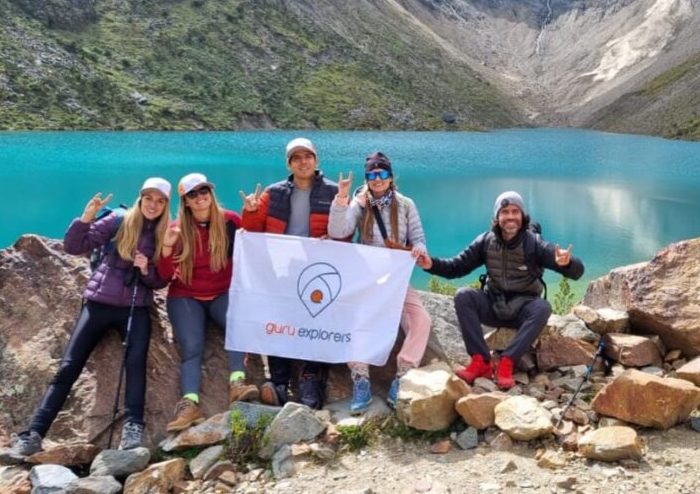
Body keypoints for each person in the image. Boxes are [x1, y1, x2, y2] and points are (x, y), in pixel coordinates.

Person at [0, 178, 172, 464]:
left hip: (135, 307)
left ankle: (133, 428)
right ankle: (33, 434)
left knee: (136, 364)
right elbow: (73, 246)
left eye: (160, 200)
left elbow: (161, 279)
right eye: (148, 198)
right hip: (99, 303)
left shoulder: (167, 233)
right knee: (68, 368)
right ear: (140, 198)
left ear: (166, 205)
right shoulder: (119, 220)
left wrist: (145, 269)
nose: (153, 204)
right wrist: (87, 216)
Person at [417, 191, 583, 390]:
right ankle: (480, 362)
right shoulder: (486, 242)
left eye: (515, 211)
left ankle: (507, 362)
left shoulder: (534, 244)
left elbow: (577, 273)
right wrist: (431, 264)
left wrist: (567, 263)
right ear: (497, 217)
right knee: (464, 296)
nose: (510, 216)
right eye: (505, 212)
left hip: (523, 311)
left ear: (522, 216)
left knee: (543, 307)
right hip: (493, 306)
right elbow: (457, 267)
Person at [327, 151, 430, 412]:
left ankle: (402, 376)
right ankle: (360, 380)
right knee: (356, 322)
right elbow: (338, 231)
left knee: (421, 321)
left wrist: (418, 249)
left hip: (396, 280)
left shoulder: (406, 204)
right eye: (371, 175)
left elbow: (418, 237)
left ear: (391, 176)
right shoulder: (360, 204)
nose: (377, 179)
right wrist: (344, 199)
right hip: (368, 280)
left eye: (382, 173)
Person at [241, 137, 340, 409]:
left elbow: (344, 232)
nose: (303, 162)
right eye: (296, 158)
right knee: (278, 318)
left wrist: (335, 237)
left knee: (318, 317)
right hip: (281, 268)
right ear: (289, 163)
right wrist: (249, 212)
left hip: (316, 268)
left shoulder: (333, 192)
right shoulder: (273, 194)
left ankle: (311, 376)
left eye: (307, 156)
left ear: (316, 160)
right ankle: (279, 381)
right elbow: (252, 231)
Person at [159, 173, 257, 433]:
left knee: (239, 327)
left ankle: (237, 384)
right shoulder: (176, 229)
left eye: (204, 191)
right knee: (192, 348)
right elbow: (164, 275)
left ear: (211, 193)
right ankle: (190, 404)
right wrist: (167, 251)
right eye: (193, 194)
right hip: (185, 296)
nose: (200, 197)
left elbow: (254, 248)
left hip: (222, 292)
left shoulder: (230, 222)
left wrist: (253, 214)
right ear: (185, 202)